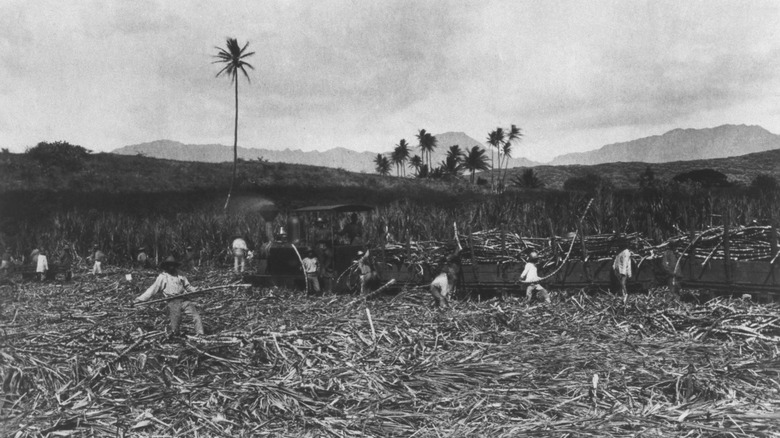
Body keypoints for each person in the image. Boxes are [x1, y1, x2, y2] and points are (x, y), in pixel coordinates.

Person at [134, 256, 204, 336]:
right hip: (173, 300)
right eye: (170, 265)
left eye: (173, 265)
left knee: (196, 316)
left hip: (184, 299)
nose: (172, 267)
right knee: (176, 319)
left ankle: (200, 334)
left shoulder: (180, 275)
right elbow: (152, 290)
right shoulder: (163, 277)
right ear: (166, 266)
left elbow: (188, 286)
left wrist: (196, 289)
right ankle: (175, 335)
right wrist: (139, 299)